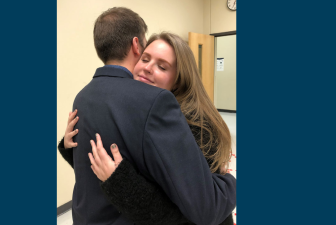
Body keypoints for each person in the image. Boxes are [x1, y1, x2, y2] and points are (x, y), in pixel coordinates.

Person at [63, 7, 236, 225]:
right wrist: (72, 148)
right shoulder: (132, 107)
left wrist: (230, 182)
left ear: (179, 80)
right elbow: (107, 163)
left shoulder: (197, 128)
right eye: (145, 59)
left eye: (162, 66)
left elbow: (191, 212)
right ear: (136, 51)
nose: (147, 68)